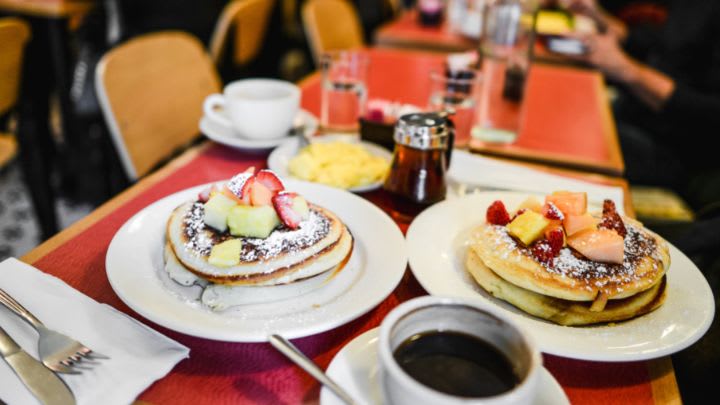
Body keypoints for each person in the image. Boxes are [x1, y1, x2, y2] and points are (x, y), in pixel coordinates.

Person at [558, 2, 720, 403]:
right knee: (571, 118)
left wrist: (626, 70)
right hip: (642, 115)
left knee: (577, 141)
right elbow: (666, 46)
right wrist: (600, 18)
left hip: (686, 150)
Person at [560, 0, 720, 211]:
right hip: (633, 112)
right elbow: (660, 46)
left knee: (570, 137)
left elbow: (710, 114)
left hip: (675, 150)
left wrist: (626, 69)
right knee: (563, 109)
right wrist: (600, 18)